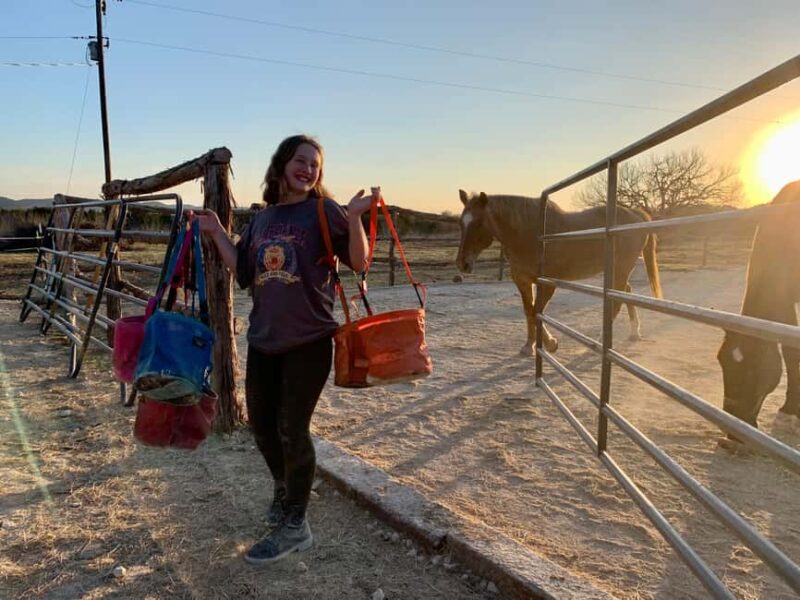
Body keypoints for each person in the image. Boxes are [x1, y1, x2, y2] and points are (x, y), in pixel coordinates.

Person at [194, 134, 372, 565]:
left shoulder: (323, 211)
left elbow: (361, 262)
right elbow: (246, 273)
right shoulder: (263, 218)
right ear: (282, 165)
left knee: (293, 428)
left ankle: (296, 524)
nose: (308, 169)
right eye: (300, 160)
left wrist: (353, 218)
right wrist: (219, 232)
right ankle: (285, 489)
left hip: (309, 341)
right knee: (262, 427)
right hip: (263, 339)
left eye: (315, 164)